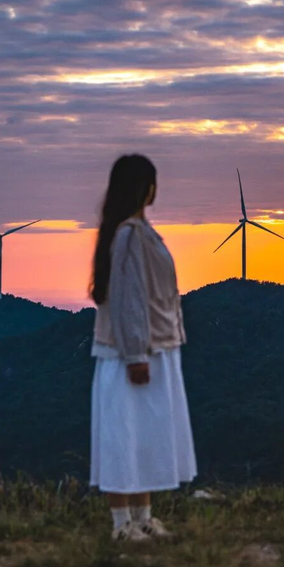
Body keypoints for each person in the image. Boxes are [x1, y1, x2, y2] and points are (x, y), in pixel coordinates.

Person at [89, 153, 197, 541]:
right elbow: (128, 299)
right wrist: (135, 355)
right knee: (123, 434)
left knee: (144, 433)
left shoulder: (135, 231)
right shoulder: (130, 235)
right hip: (136, 352)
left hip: (155, 346)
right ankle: (122, 525)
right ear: (143, 187)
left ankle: (143, 516)